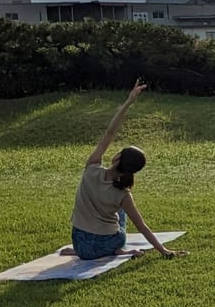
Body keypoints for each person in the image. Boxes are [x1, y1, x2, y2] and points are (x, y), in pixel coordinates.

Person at [61, 80, 186, 260]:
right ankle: (119, 250)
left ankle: (108, 250)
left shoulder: (91, 169)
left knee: (114, 208)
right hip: (107, 244)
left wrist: (129, 101)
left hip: (80, 244)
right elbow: (142, 226)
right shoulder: (123, 195)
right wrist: (164, 251)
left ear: (117, 158)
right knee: (120, 211)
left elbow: (110, 133)